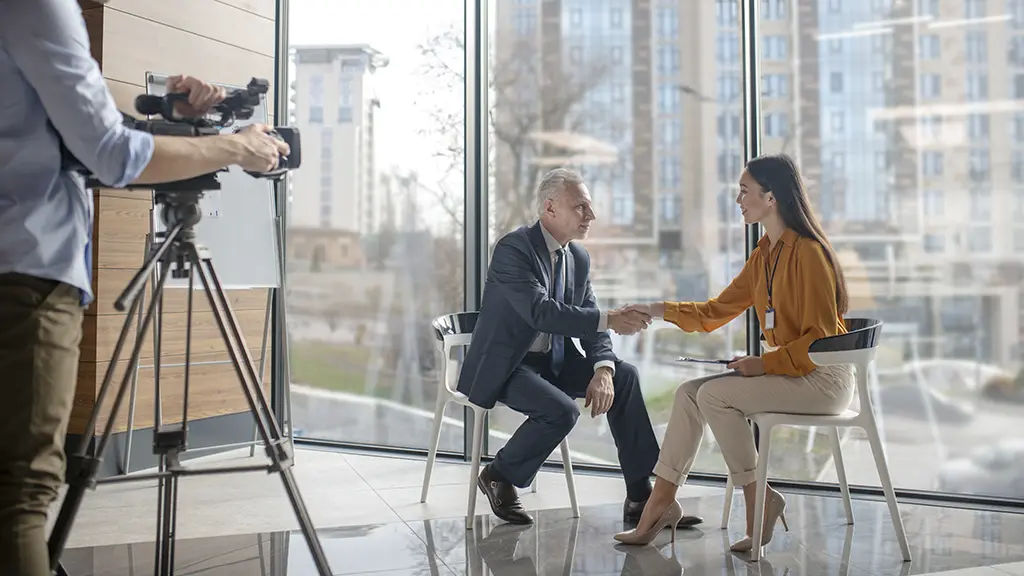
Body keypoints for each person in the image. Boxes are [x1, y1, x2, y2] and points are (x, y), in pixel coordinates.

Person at [0, 1, 291, 574]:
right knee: (20, 494)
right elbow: (107, 154)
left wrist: (173, 124)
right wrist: (235, 145)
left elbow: (49, 140)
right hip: (26, 273)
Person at [612, 154, 854, 551]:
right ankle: (660, 503)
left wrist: (763, 363)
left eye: (744, 191)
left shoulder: (809, 254)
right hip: (794, 373)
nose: (738, 200)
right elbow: (713, 313)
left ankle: (759, 501)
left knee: (715, 394)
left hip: (823, 379)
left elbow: (820, 341)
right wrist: (655, 310)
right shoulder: (764, 257)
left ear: (771, 197)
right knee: (689, 393)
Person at [457, 168, 703, 529]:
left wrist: (604, 368)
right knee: (560, 410)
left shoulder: (578, 258)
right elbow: (541, 313)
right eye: (582, 207)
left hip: (552, 361)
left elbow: (589, 317)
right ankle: (499, 474)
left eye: (590, 207)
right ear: (550, 208)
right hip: (508, 364)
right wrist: (609, 319)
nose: (592, 216)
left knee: (626, 377)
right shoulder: (513, 249)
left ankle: (641, 496)